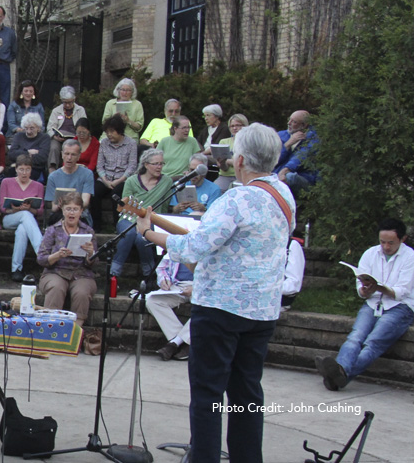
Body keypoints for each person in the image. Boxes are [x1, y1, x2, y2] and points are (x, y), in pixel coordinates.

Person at [134, 123, 295, 463]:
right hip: (262, 310)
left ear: (239, 161)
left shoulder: (236, 198)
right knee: (246, 394)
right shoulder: (284, 194)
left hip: (221, 309)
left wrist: (149, 233)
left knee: (208, 395)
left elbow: (194, 246)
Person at [316, 218, 413, 391]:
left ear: (402, 239)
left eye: (391, 243)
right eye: (382, 242)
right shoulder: (371, 254)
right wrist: (365, 291)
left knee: (373, 342)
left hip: (400, 307)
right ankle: (339, 375)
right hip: (373, 302)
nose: (386, 247)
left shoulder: (410, 257)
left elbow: (402, 291)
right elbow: (359, 287)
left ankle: (338, 374)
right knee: (355, 337)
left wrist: (380, 288)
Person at [36, 192, 97, 340]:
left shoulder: (88, 231)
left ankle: (74, 334)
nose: (72, 212)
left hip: (81, 273)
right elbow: (41, 259)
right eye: (68, 209)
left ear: (81, 212)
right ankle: (49, 332)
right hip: (55, 271)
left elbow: (95, 263)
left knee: (82, 292)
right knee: (56, 287)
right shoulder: (53, 230)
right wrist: (57, 255)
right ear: (63, 210)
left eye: (75, 209)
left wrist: (91, 253)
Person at [112, 149, 168, 279]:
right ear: (146, 164)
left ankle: (149, 274)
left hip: (152, 220)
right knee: (130, 233)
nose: (159, 167)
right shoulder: (132, 181)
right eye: (155, 164)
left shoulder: (167, 182)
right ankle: (113, 274)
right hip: (129, 218)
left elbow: (164, 208)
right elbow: (125, 205)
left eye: (161, 163)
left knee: (141, 238)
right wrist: (137, 221)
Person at [0, 154, 45, 282]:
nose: (24, 173)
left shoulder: (38, 186)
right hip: (10, 218)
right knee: (25, 216)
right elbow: (3, 208)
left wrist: (28, 208)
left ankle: (16, 269)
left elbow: (40, 210)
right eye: (21, 169)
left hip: (27, 220)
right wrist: (17, 209)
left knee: (22, 230)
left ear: (31, 170)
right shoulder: (6, 182)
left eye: (27, 169)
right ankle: (42, 252)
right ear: (16, 169)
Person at [146, 256, 196, 362]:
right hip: (177, 285)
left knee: (205, 307)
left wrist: (196, 287)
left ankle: (174, 344)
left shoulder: (206, 243)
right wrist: (164, 280)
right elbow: (162, 267)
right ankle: (184, 343)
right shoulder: (177, 241)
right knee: (152, 300)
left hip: (202, 287)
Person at [92, 115, 136, 231]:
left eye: (112, 131)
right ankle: (96, 226)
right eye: (107, 132)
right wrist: (105, 181)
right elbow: (99, 165)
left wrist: (119, 180)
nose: (109, 134)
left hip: (123, 178)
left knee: (116, 194)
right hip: (105, 178)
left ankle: (118, 226)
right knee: (94, 192)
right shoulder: (104, 143)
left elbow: (132, 167)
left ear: (120, 131)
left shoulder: (131, 144)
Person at [45, 140, 95, 226]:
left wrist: (71, 206)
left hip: (80, 213)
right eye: (67, 154)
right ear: (62, 154)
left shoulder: (87, 174)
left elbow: (85, 202)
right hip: (60, 213)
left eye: (73, 154)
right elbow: (53, 207)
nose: (69, 157)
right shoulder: (53, 177)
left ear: (79, 156)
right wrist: (61, 205)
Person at [274, 110, 318, 197]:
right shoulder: (280, 135)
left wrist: (284, 171)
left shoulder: (313, 138)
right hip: (277, 174)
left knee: (290, 177)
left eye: (294, 122)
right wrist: (287, 144)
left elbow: (301, 157)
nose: (289, 123)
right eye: (289, 119)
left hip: (302, 177)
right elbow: (273, 159)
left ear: (304, 125)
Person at [46, 86, 86, 168]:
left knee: (72, 148)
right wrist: (54, 136)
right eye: (65, 102)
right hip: (58, 139)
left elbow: (84, 126)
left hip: (75, 138)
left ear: (74, 99)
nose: (67, 105)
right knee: (53, 148)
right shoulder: (56, 111)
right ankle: (52, 170)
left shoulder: (80, 110)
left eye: (70, 102)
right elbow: (50, 127)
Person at [8, 112, 48, 182]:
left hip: (35, 169)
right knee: (11, 173)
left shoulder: (44, 138)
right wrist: (29, 152)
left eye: (32, 128)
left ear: (38, 128)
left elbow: (42, 158)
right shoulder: (18, 136)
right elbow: (11, 154)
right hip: (17, 168)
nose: (29, 131)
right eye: (26, 128)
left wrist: (21, 154)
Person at [213, 114, 248, 191]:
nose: (235, 128)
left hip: (243, 176)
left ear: (245, 126)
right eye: (232, 126)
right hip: (225, 176)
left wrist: (228, 161)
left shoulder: (248, 143)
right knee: (215, 189)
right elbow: (224, 168)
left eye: (238, 125)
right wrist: (222, 163)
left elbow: (245, 163)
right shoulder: (224, 142)